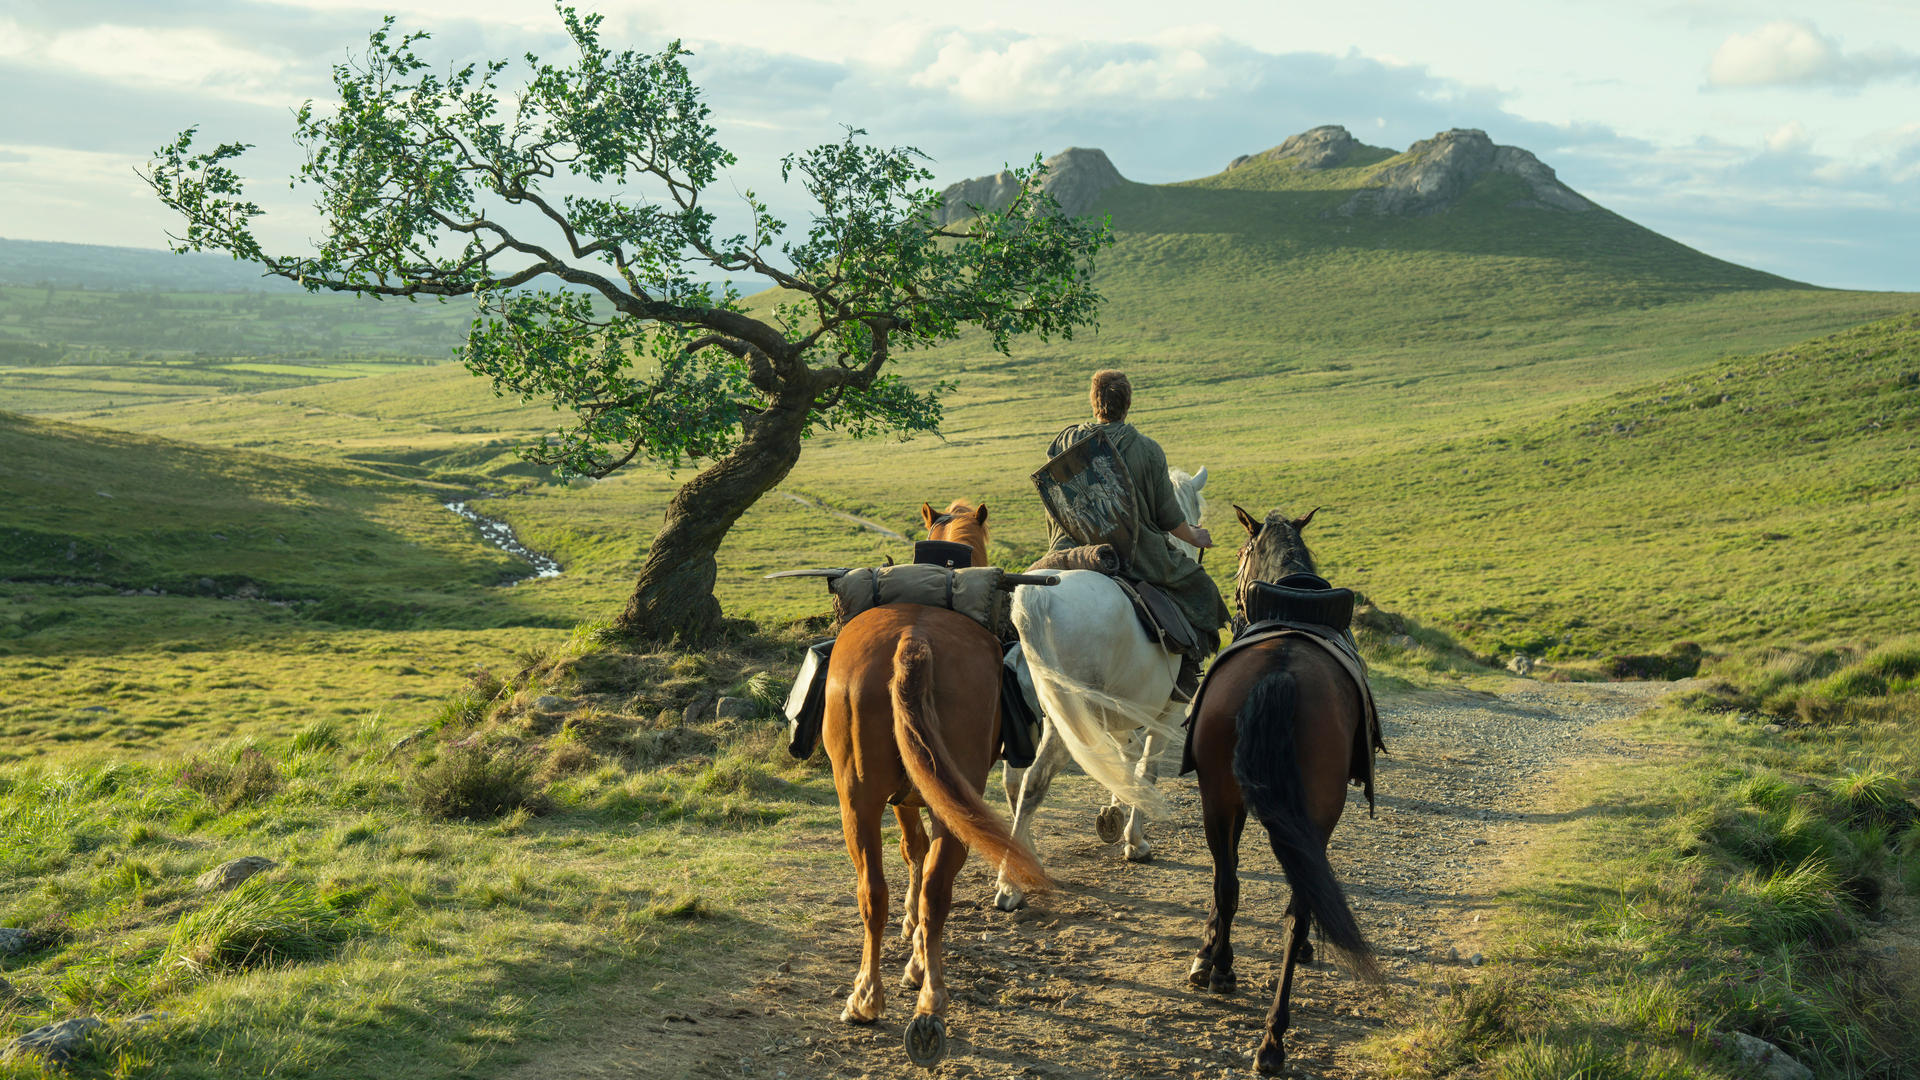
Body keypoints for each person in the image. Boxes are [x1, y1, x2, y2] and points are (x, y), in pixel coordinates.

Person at [1044, 370, 1230, 699]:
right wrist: (1195, 538)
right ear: (1127, 403)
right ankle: (1187, 672)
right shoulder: (1147, 450)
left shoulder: (1066, 442)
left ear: (1093, 402)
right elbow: (1168, 517)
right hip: (1136, 555)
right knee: (1201, 589)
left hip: (1072, 550)